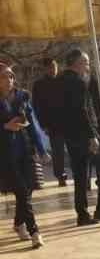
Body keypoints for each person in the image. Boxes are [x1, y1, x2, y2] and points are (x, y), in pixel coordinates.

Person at [60, 48, 100, 225]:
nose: (88, 66)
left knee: (81, 176)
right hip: (85, 135)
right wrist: (92, 136)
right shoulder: (77, 82)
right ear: (76, 63)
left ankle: (82, 214)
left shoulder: (58, 81)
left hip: (70, 135)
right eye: (86, 62)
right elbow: (81, 110)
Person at [0, 63, 47, 248]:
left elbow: (33, 124)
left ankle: (19, 223)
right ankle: (34, 231)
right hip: (5, 153)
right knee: (21, 190)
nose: (9, 80)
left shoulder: (23, 96)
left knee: (27, 190)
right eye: (4, 77)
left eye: (11, 76)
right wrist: (4, 127)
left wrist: (42, 150)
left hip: (26, 150)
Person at [31, 57, 67, 185]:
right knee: (58, 151)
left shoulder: (63, 81)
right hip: (52, 123)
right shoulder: (39, 85)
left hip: (67, 121)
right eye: (50, 67)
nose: (53, 69)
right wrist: (43, 125)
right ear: (45, 69)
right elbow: (36, 107)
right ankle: (60, 175)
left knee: (74, 148)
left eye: (54, 66)